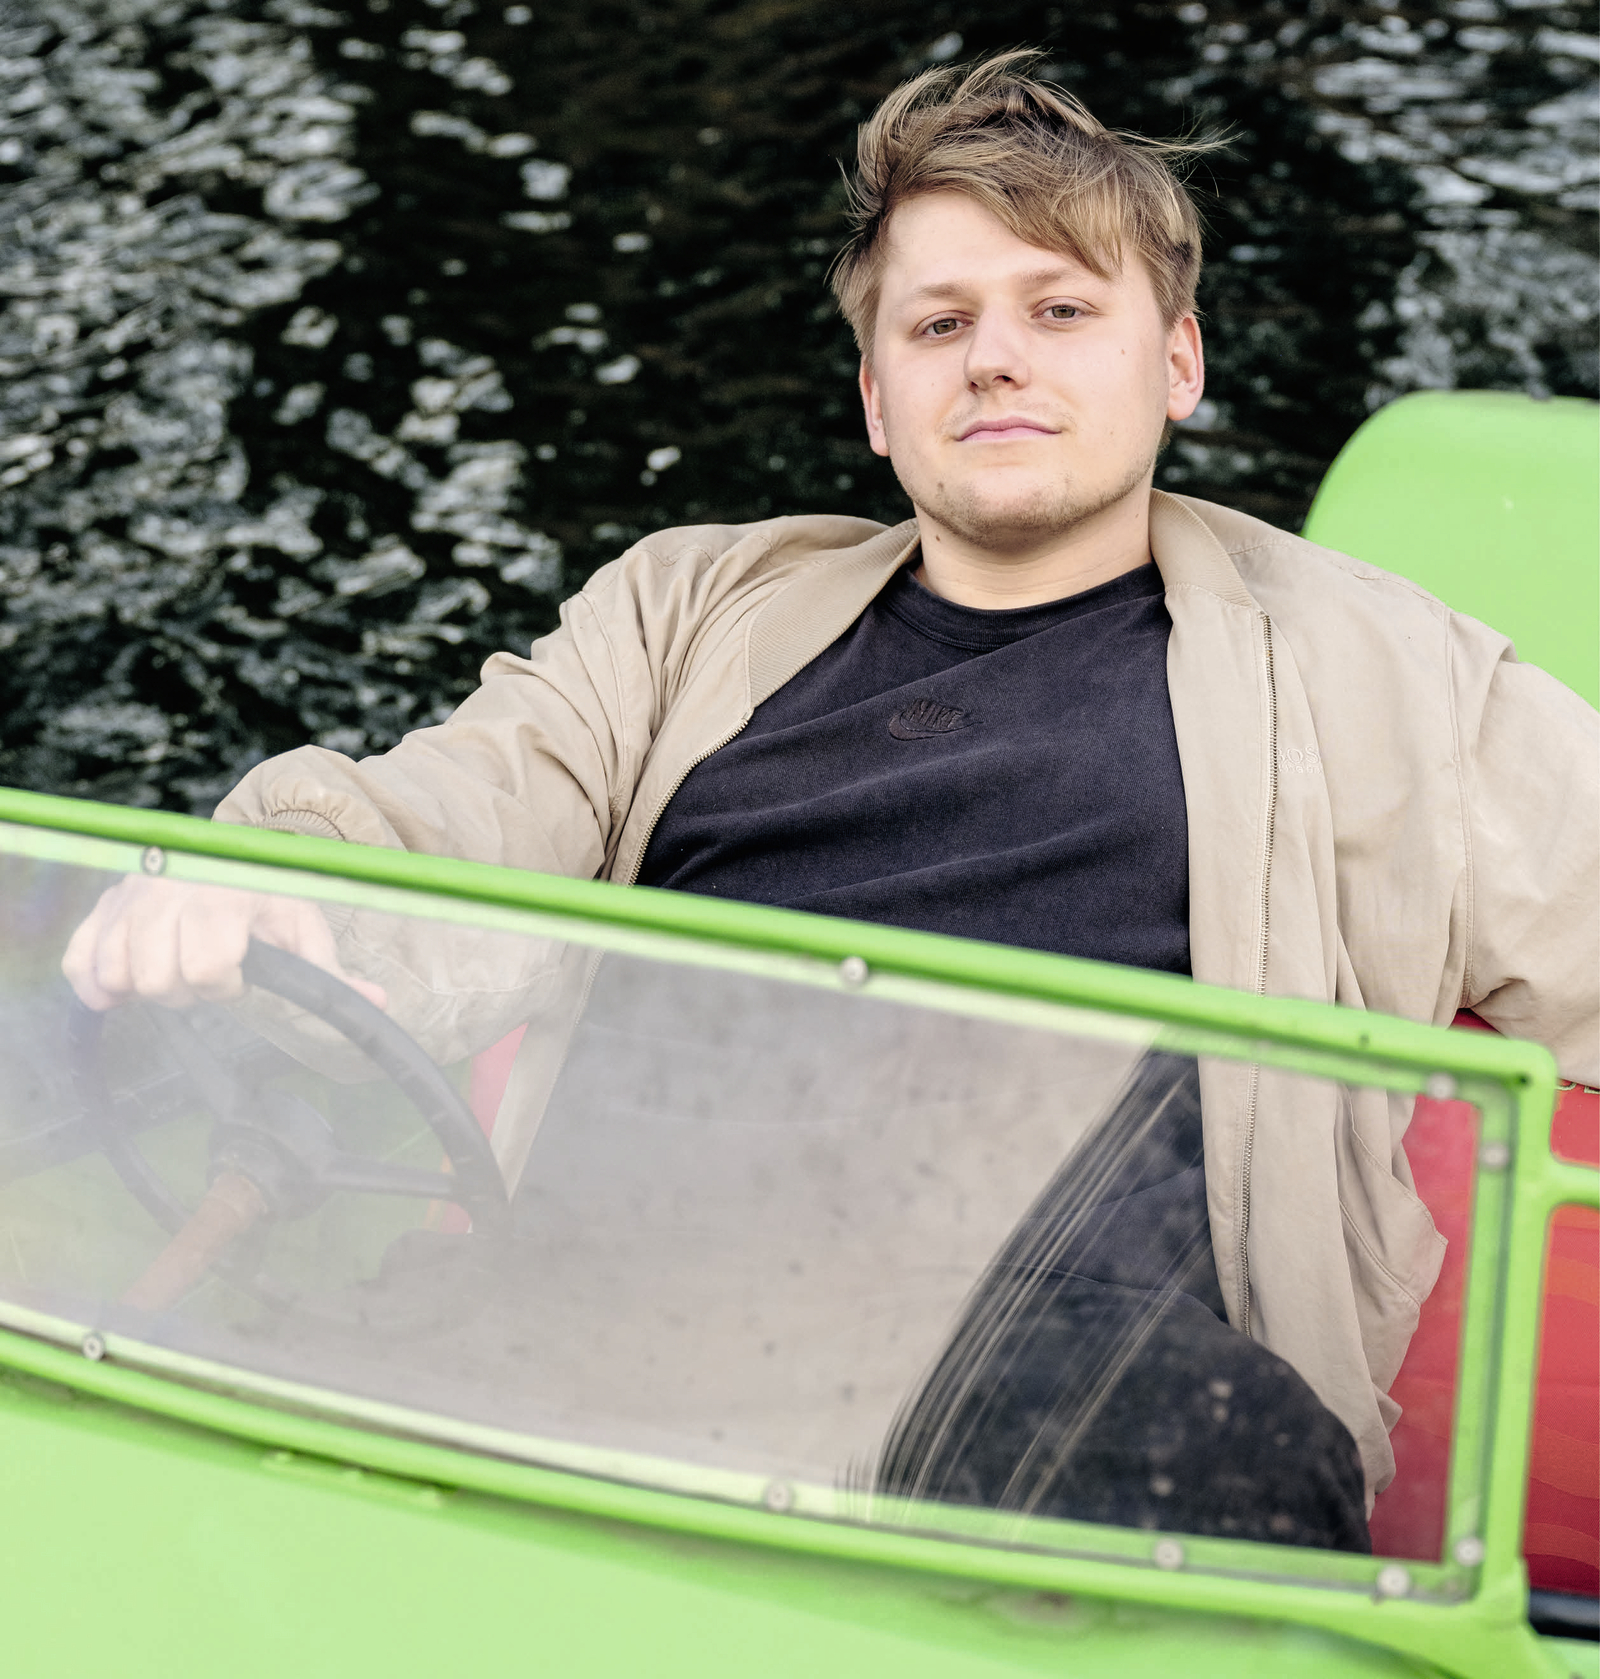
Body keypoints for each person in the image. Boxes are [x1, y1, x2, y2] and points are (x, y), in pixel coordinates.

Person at [62, 55, 1598, 1541]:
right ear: (877, 396)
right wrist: (278, 872)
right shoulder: (682, 611)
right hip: (599, 1304)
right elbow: (460, 804)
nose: (995, 358)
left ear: (1178, 361)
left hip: (1028, 1362)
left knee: (1233, 1455)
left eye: (1062, 309)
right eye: (939, 324)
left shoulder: (1384, 671)